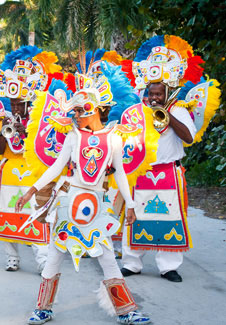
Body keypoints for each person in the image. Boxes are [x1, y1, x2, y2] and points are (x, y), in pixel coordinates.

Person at [16, 67, 151, 325]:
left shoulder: (114, 138)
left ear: (96, 109)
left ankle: (126, 311)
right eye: (74, 111)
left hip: (96, 205)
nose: (76, 116)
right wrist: (32, 190)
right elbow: (56, 167)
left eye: (80, 110)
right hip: (69, 202)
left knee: (107, 256)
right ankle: (43, 308)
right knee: (55, 255)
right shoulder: (73, 137)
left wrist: (130, 205)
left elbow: (120, 174)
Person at [119, 35, 219, 283]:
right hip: (142, 173)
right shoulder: (137, 111)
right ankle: (132, 263)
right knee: (135, 216)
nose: (154, 98)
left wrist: (168, 115)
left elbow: (188, 138)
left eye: (158, 94)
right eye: (151, 93)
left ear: (167, 93)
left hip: (169, 173)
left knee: (170, 217)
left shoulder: (179, 110)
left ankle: (168, 267)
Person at [0, 46, 62, 272]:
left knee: (34, 213)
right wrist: (6, 128)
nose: (15, 106)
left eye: (19, 103)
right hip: (8, 174)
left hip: (31, 175)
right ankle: (11, 257)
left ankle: (42, 258)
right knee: (8, 213)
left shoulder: (39, 119)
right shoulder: (3, 117)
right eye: (12, 102)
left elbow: (45, 147)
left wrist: (25, 131)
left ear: (29, 102)